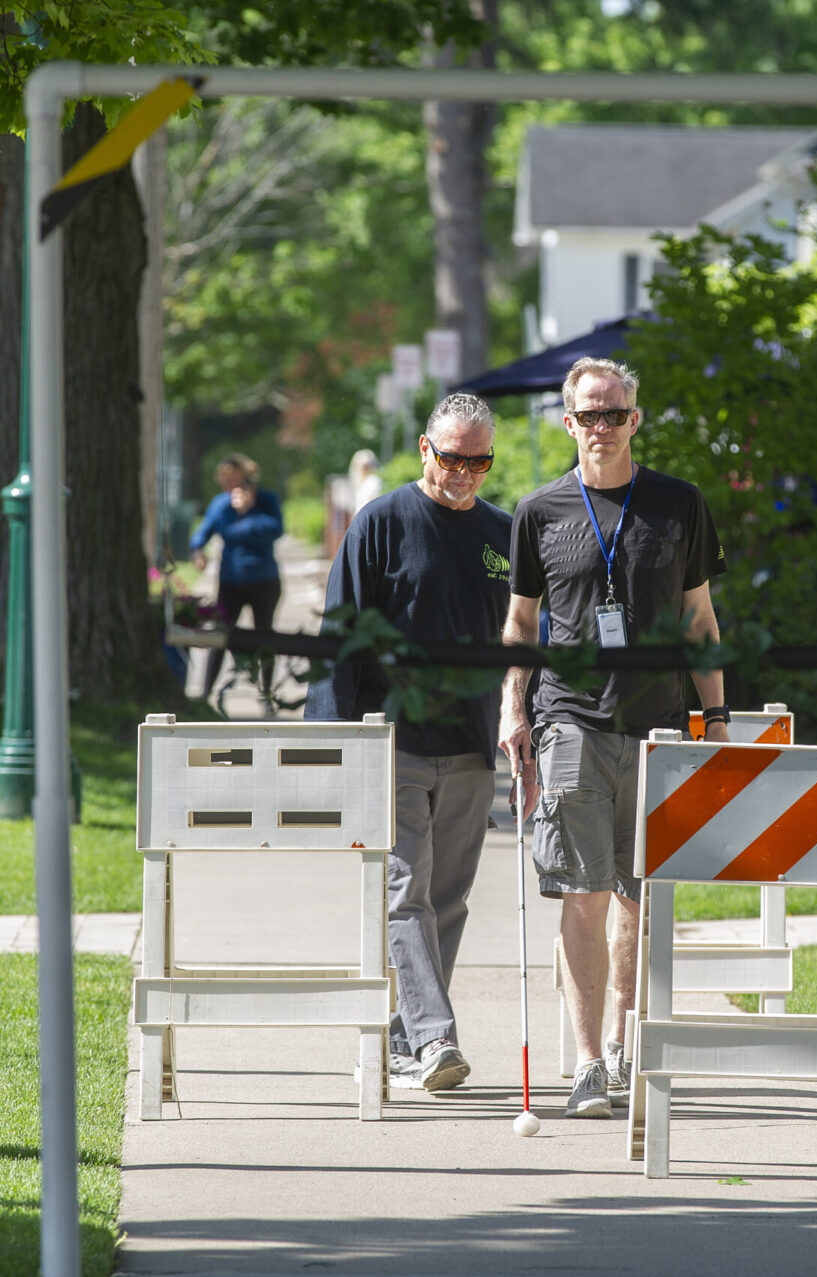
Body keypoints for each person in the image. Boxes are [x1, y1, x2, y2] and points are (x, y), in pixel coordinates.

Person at [500, 356, 729, 1119]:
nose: (601, 425)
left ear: (635, 418)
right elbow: (522, 625)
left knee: (641, 892)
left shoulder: (678, 504)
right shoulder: (539, 512)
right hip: (570, 719)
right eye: (587, 413)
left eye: (614, 412)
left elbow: (700, 617)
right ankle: (589, 1061)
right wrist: (513, 707)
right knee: (585, 890)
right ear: (567, 422)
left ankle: (629, 1044)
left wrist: (717, 719)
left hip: (658, 722)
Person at [307, 393, 513, 1092]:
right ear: (425, 447)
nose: (462, 472)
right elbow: (339, 634)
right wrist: (332, 744)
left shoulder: (502, 534)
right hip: (390, 739)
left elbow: (524, 641)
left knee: (448, 897)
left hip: (472, 742)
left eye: (477, 461)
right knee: (406, 891)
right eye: (451, 456)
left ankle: (405, 1036)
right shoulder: (382, 523)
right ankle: (435, 1038)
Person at [190, 454, 285, 712]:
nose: (229, 486)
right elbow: (205, 528)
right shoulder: (221, 504)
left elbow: (275, 530)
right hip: (231, 580)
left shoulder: (265, 501)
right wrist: (197, 548)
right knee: (220, 635)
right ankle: (204, 692)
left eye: (233, 480)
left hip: (263, 579)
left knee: (264, 635)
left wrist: (247, 512)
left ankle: (266, 693)